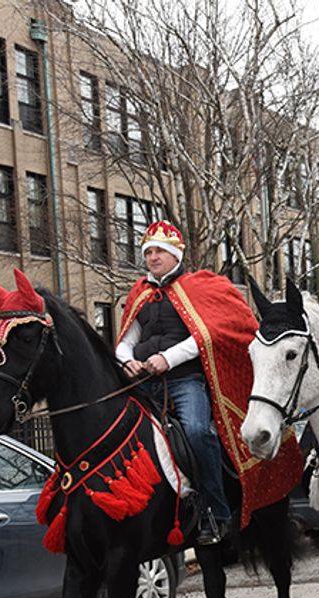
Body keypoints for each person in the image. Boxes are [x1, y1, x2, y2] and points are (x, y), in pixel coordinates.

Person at [116, 221, 302, 543]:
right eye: (148, 252)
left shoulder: (201, 286)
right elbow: (125, 339)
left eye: (160, 251)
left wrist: (167, 359)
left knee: (198, 432)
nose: (153, 257)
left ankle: (216, 511)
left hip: (184, 380)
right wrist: (126, 359)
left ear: (175, 255)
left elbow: (206, 337)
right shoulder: (140, 294)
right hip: (144, 382)